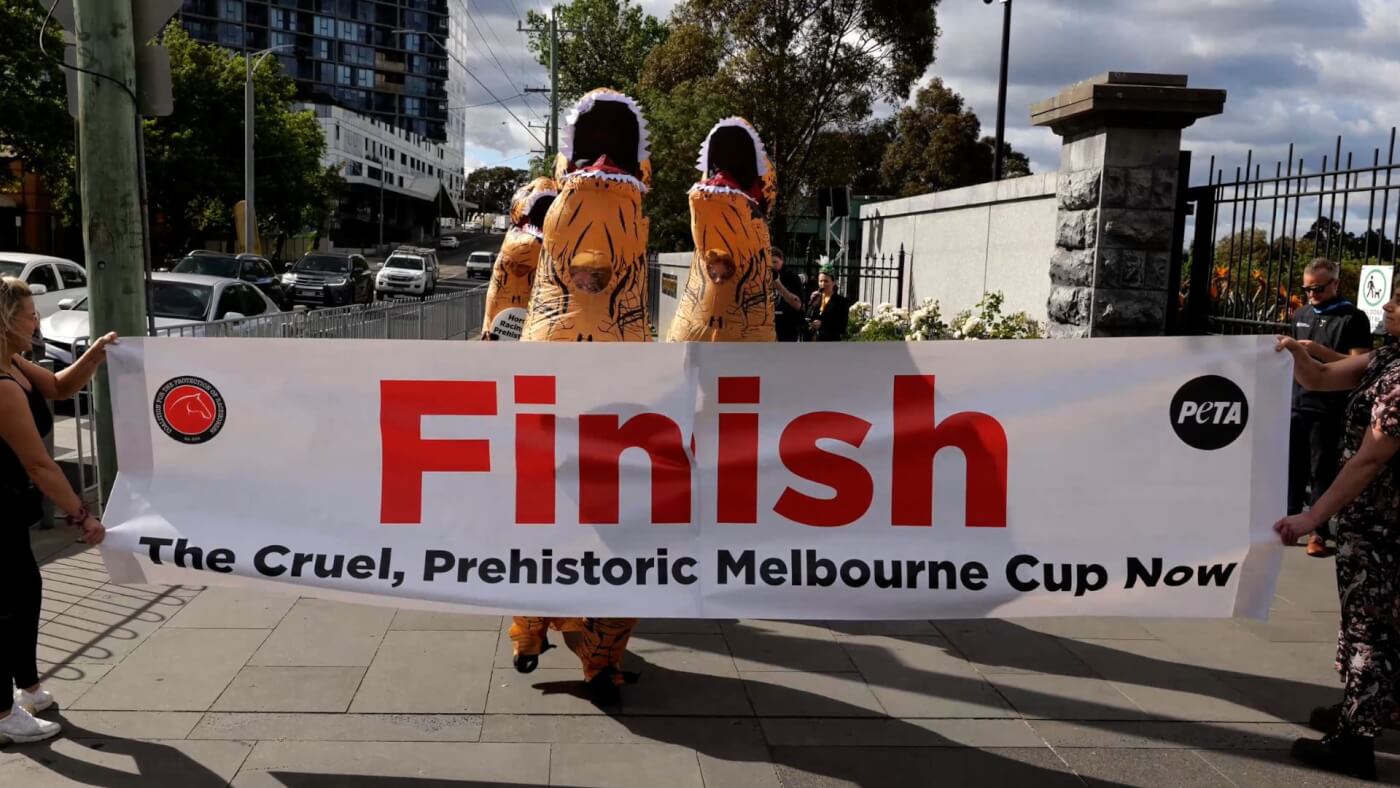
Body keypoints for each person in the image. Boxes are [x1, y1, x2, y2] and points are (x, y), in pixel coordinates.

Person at [1273, 281, 1400, 780]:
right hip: (1367, 523)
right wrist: (1296, 352)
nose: (1387, 305)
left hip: (1386, 526)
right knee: (1365, 620)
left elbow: (1369, 460)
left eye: (1398, 301)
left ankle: (1355, 740)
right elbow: (1323, 376)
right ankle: (1362, 708)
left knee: (1373, 627)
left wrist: (1311, 517)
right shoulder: (1387, 360)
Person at [0, 277, 113, 744]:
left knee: (23, 594)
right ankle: (5, 717)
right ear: (5, 322)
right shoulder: (1, 384)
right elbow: (40, 464)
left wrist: (98, 353)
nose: (37, 319)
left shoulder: (14, 363)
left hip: (9, 508)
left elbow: (61, 387)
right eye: (29, 314)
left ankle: (27, 688)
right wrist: (82, 515)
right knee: (8, 605)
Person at [1288, 258, 1374, 557]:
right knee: (1291, 468)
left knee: (1320, 470)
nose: (1312, 294)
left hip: (1328, 406)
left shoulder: (1353, 318)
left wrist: (1319, 352)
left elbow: (1360, 364)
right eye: (1307, 288)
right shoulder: (1300, 313)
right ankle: (1289, 523)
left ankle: (1319, 532)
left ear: (1335, 284)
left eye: (1318, 288)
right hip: (1297, 401)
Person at [805, 266, 849, 341]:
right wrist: (812, 304)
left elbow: (842, 327)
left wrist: (822, 325)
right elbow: (807, 318)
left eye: (826, 281)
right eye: (820, 281)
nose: (823, 284)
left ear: (833, 282)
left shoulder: (841, 301)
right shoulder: (816, 297)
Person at [771, 248, 804, 342]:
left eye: (775, 262)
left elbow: (798, 305)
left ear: (782, 261)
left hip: (787, 326)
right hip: (770, 325)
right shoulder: (763, 275)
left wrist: (779, 286)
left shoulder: (791, 276)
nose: (772, 266)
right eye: (769, 263)